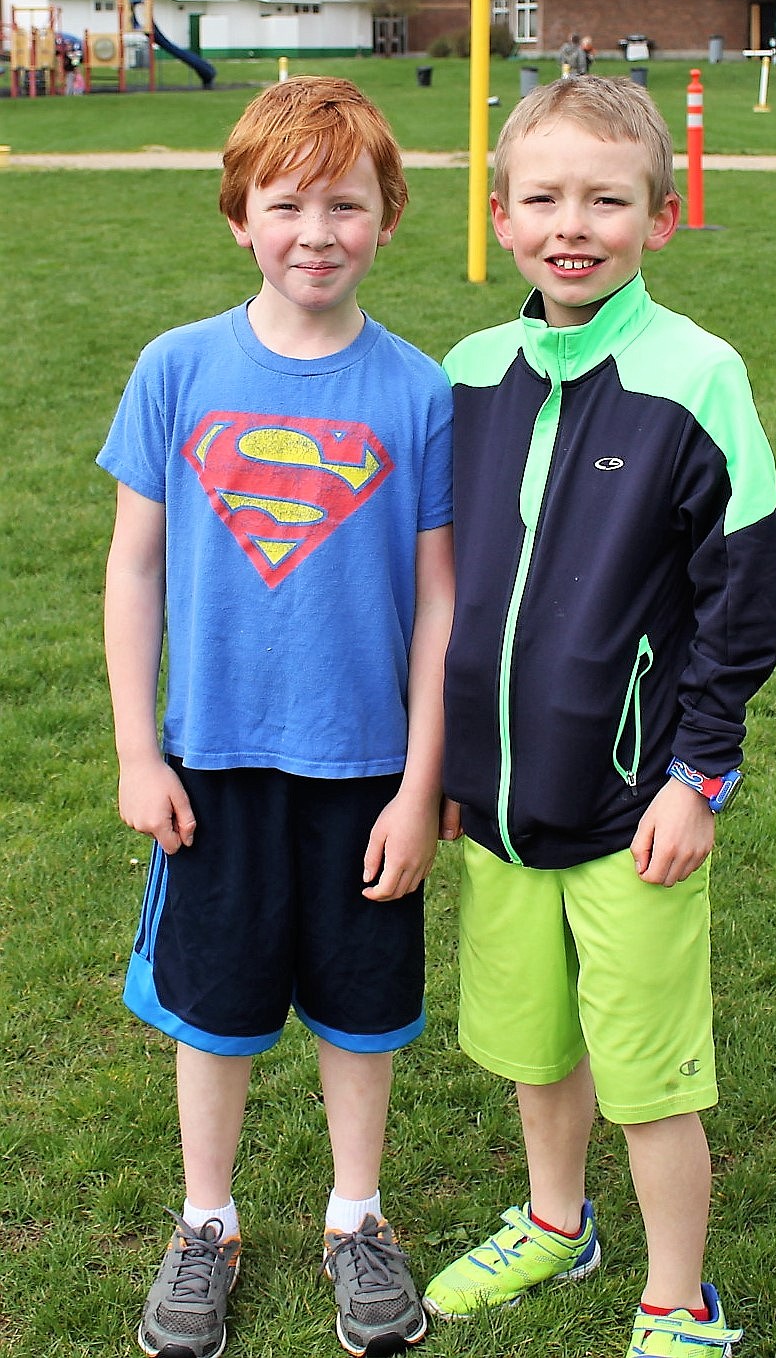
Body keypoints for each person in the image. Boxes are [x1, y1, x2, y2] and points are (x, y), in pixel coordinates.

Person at [423, 76, 776, 1358]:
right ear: (501, 215)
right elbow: (441, 589)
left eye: (605, 197)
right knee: (538, 1044)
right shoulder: (471, 373)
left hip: (635, 803)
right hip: (501, 807)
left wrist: (700, 772)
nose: (571, 223)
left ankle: (679, 1295)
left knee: (647, 1070)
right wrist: (442, 770)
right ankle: (553, 1221)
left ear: (660, 214)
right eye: (542, 197)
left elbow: (744, 591)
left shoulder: (698, 375)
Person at [98, 76, 455, 1358]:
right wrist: (142, 749)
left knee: (362, 1009)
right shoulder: (176, 368)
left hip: (367, 770)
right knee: (219, 1006)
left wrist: (423, 783)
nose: (317, 230)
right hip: (215, 764)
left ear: (386, 217)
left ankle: (355, 1217)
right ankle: (207, 1223)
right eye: (287, 203)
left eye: (345, 204)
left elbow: (438, 607)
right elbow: (134, 567)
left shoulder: (418, 394)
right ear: (239, 215)